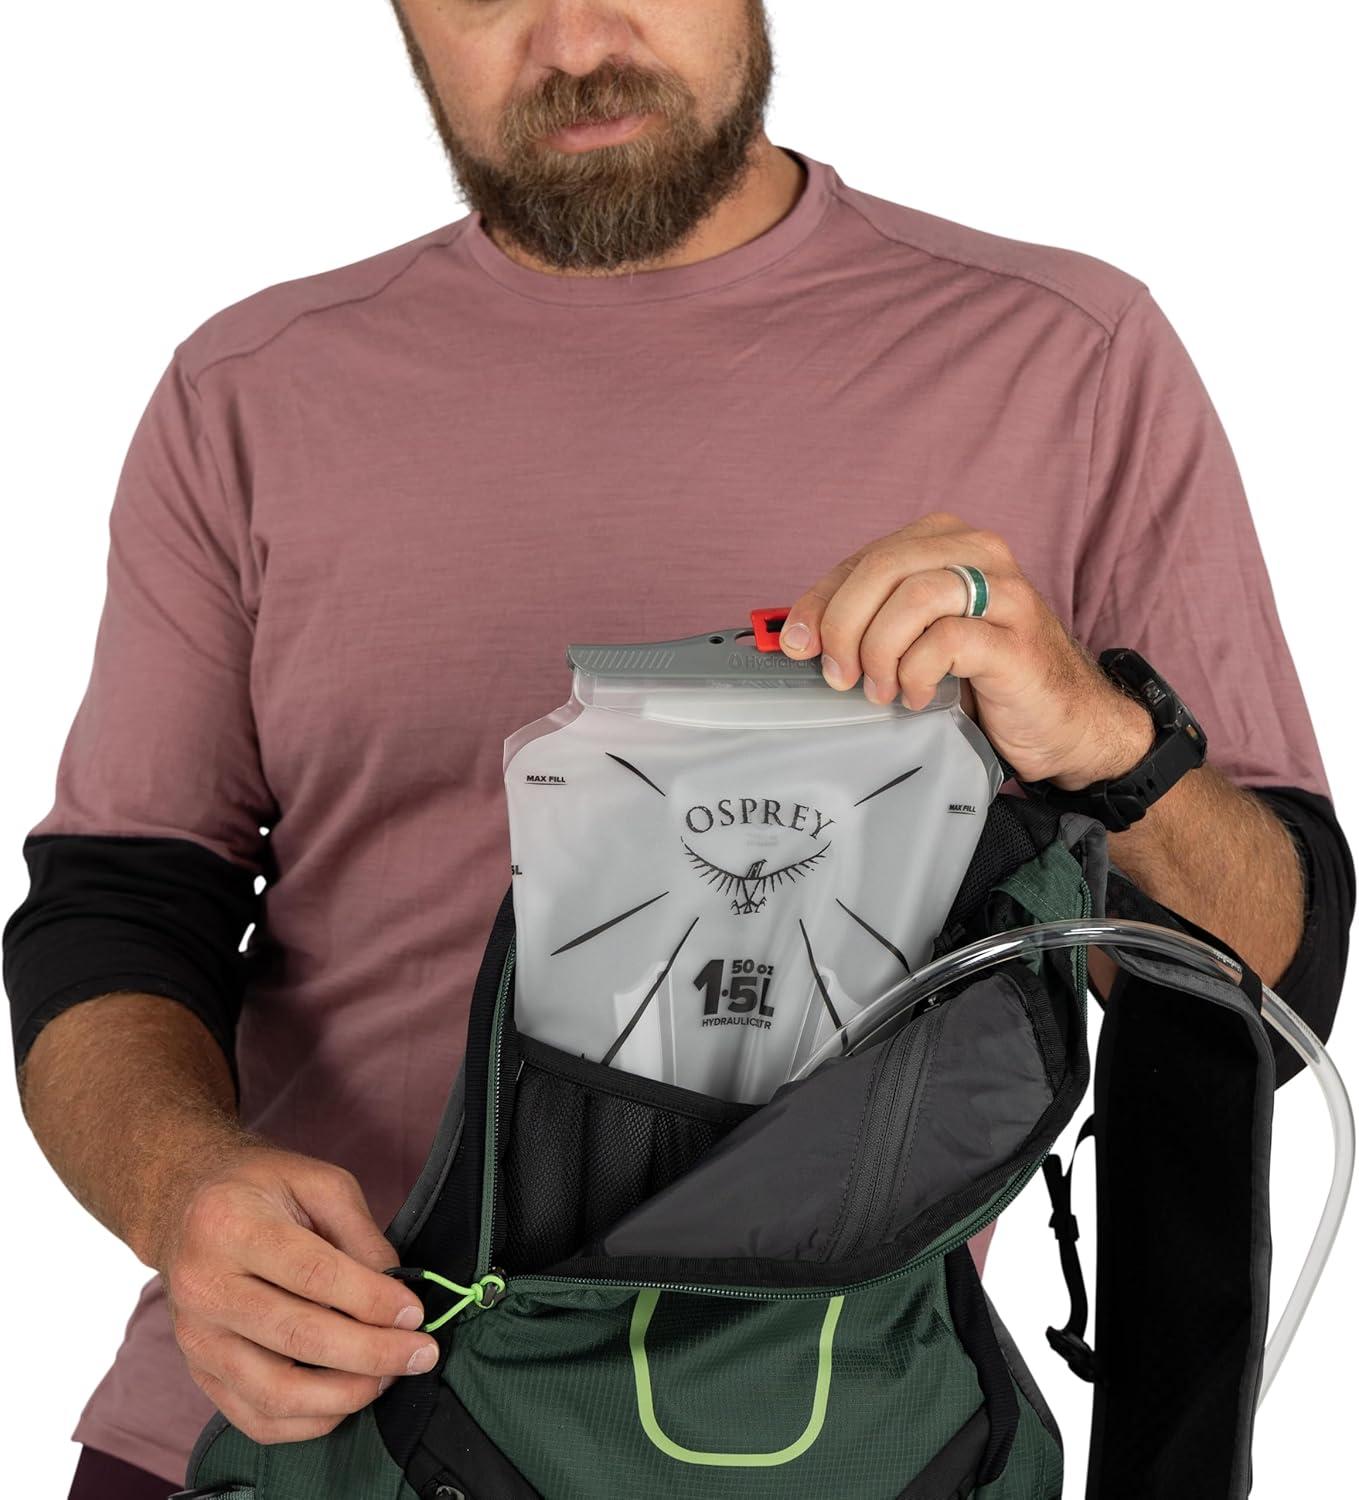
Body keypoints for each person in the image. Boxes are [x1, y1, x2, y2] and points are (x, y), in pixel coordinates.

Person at [5, 2, 1353, 1496]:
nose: (576, 41)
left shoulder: (1069, 357)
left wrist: (1102, 742)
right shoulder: (249, 391)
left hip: (823, 1434)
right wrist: (181, 1190)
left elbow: (1271, 993)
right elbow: (119, 908)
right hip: (291, 1425)